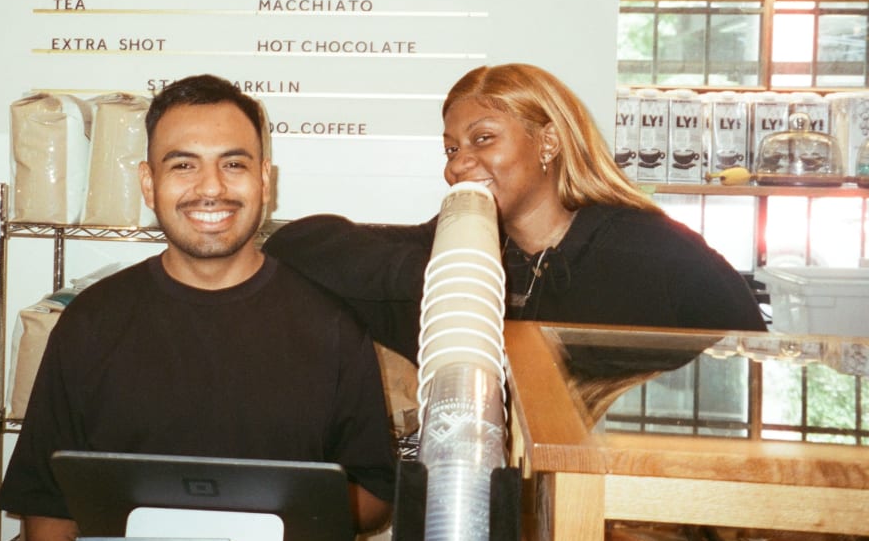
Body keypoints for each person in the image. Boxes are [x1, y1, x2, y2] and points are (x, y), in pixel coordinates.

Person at [0, 74, 396, 541]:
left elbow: (377, 494)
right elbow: (47, 505)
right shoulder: (90, 323)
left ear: (265, 180)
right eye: (183, 165)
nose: (211, 187)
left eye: (234, 164)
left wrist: (286, 509)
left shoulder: (332, 326)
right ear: (148, 183)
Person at [264, 63, 767, 364]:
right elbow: (299, 244)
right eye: (450, 149)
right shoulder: (456, 247)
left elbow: (751, 365)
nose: (459, 164)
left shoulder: (655, 252)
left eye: (483, 139)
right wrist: (453, 272)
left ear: (547, 141)